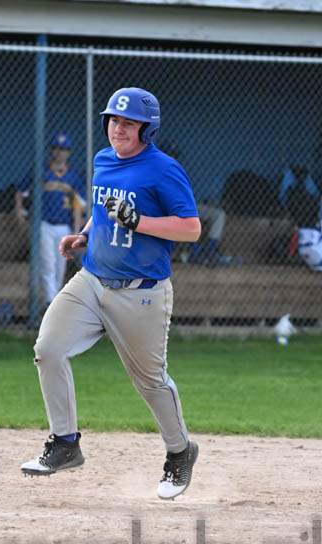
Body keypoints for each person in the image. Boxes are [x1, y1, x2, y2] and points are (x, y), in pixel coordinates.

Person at [20, 87, 202, 500]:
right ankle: (65, 443)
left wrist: (139, 221)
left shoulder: (163, 169)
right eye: (114, 120)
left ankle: (180, 452)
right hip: (92, 279)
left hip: (141, 293)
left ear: (147, 130)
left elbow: (191, 228)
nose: (118, 128)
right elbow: (104, 212)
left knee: (150, 381)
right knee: (48, 348)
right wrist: (85, 235)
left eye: (129, 123)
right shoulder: (103, 160)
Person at [15, 133, 85, 308]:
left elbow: (78, 206)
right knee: (48, 264)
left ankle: (53, 301)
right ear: (51, 150)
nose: (60, 152)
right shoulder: (41, 172)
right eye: (56, 148)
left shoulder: (73, 177)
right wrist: (19, 212)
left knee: (60, 266)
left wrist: (76, 231)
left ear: (69, 152)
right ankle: (50, 303)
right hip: (44, 224)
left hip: (64, 227)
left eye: (64, 149)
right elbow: (20, 191)